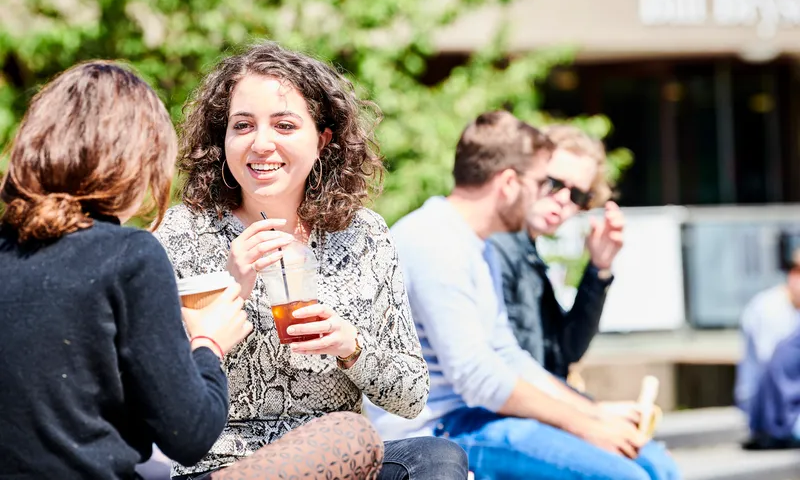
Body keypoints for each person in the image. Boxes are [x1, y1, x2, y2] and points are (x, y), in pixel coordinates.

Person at [0, 60, 385, 480]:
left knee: (428, 456)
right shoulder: (133, 253)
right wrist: (209, 342)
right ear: (136, 160)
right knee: (351, 435)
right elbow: (188, 434)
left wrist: (353, 346)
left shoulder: (11, 250)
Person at [154, 41, 468, 480]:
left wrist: (351, 348)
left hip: (343, 458)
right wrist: (230, 290)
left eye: (284, 125)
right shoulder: (183, 232)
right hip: (227, 466)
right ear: (221, 138)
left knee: (438, 458)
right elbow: (161, 395)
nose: (261, 143)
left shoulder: (363, 235)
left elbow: (412, 395)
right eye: (242, 125)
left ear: (322, 141)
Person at [367, 111, 681, 479]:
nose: (546, 196)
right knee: (628, 476)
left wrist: (594, 412)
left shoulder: (476, 244)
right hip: (438, 433)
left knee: (652, 462)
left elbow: (508, 355)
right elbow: (478, 378)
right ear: (510, 183)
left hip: (478, 417)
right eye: (543, 183)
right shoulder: (434, 242)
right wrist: (586, 425)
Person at [490, 125, 623, 379]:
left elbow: (563, 352)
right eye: (553, 183)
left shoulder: (527, 252)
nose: (563, 199)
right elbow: (514, 373)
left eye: (578, 194)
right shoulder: (496, 246)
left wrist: (599, 269)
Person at [736, 243, 800, 420]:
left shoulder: (795, 309)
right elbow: (775, 371)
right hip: (767, 407)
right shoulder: (770, 309)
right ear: (794, 275)